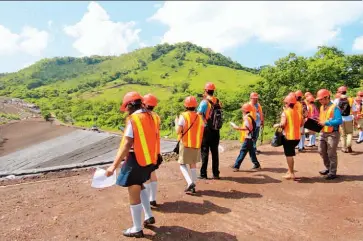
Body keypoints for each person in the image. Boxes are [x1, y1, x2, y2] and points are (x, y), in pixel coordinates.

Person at [105, 92, 157, 238]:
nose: (126, 111)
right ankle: (148, 215)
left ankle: (137, 228)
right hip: (148, 160)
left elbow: (127, 143)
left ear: (129, 105)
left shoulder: (134, 119)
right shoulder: (151, 116)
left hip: (136, 159)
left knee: (134, 192)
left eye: (126, 107)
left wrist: (113, 166)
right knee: (140, 186)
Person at [175, 96, 205, 193]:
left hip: (186, 143)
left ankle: (189, 182)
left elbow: (178, 131)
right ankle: (193, 185)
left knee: (182, 164)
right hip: (196, 144)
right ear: (196, 106)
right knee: (193, 164)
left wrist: (176, 122)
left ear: (185, 105)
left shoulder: (183, 116)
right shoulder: (199, 117)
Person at [273, 95, 303, 180]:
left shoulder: (285, 112)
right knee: (290, 153)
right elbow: (302, 123)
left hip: (289, 137)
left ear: (287, 103)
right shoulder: (298, 112)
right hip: (297, 137)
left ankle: (292, 173)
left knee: (289, 155)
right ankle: (290, 171)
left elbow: (282, 124)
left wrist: (277, 125)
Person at [197, 82, 223, 180]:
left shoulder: (204, 102)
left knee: (205, 152)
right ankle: (216, 174)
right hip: (216, 129)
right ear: (213, 91)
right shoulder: (218, 101)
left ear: (205, 90)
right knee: (215, 152)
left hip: (207, 129)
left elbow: (199, 114)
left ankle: (203, 174)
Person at [316, 89, 343, 180]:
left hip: (333, 134)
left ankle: (332, 172)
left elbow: (339, 120)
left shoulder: (335, 107)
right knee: (321, 151)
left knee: (331, 153)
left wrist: (326, 123)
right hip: (323, 132)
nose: (320, 101)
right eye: (319, 99)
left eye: (321, 99)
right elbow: (322, 118)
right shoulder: (321, 107)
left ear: (327, 97)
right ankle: (328, 168)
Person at [142, 94, 161, 207]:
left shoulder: (143, 117)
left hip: (145, 150)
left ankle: (148, 201)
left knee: (146, 177)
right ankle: (152, 198)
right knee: (152, 173)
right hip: (154, 149)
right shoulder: (156, 117)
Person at [231, 103, 261, 171]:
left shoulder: (247, 118)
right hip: (249, 138)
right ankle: (257, 165)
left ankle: (236, 166)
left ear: (244, 110)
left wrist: (237, 128)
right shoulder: (249, 117)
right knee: (252, 152)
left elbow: (248, 128)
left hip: (248, 138)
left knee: (243, 151)